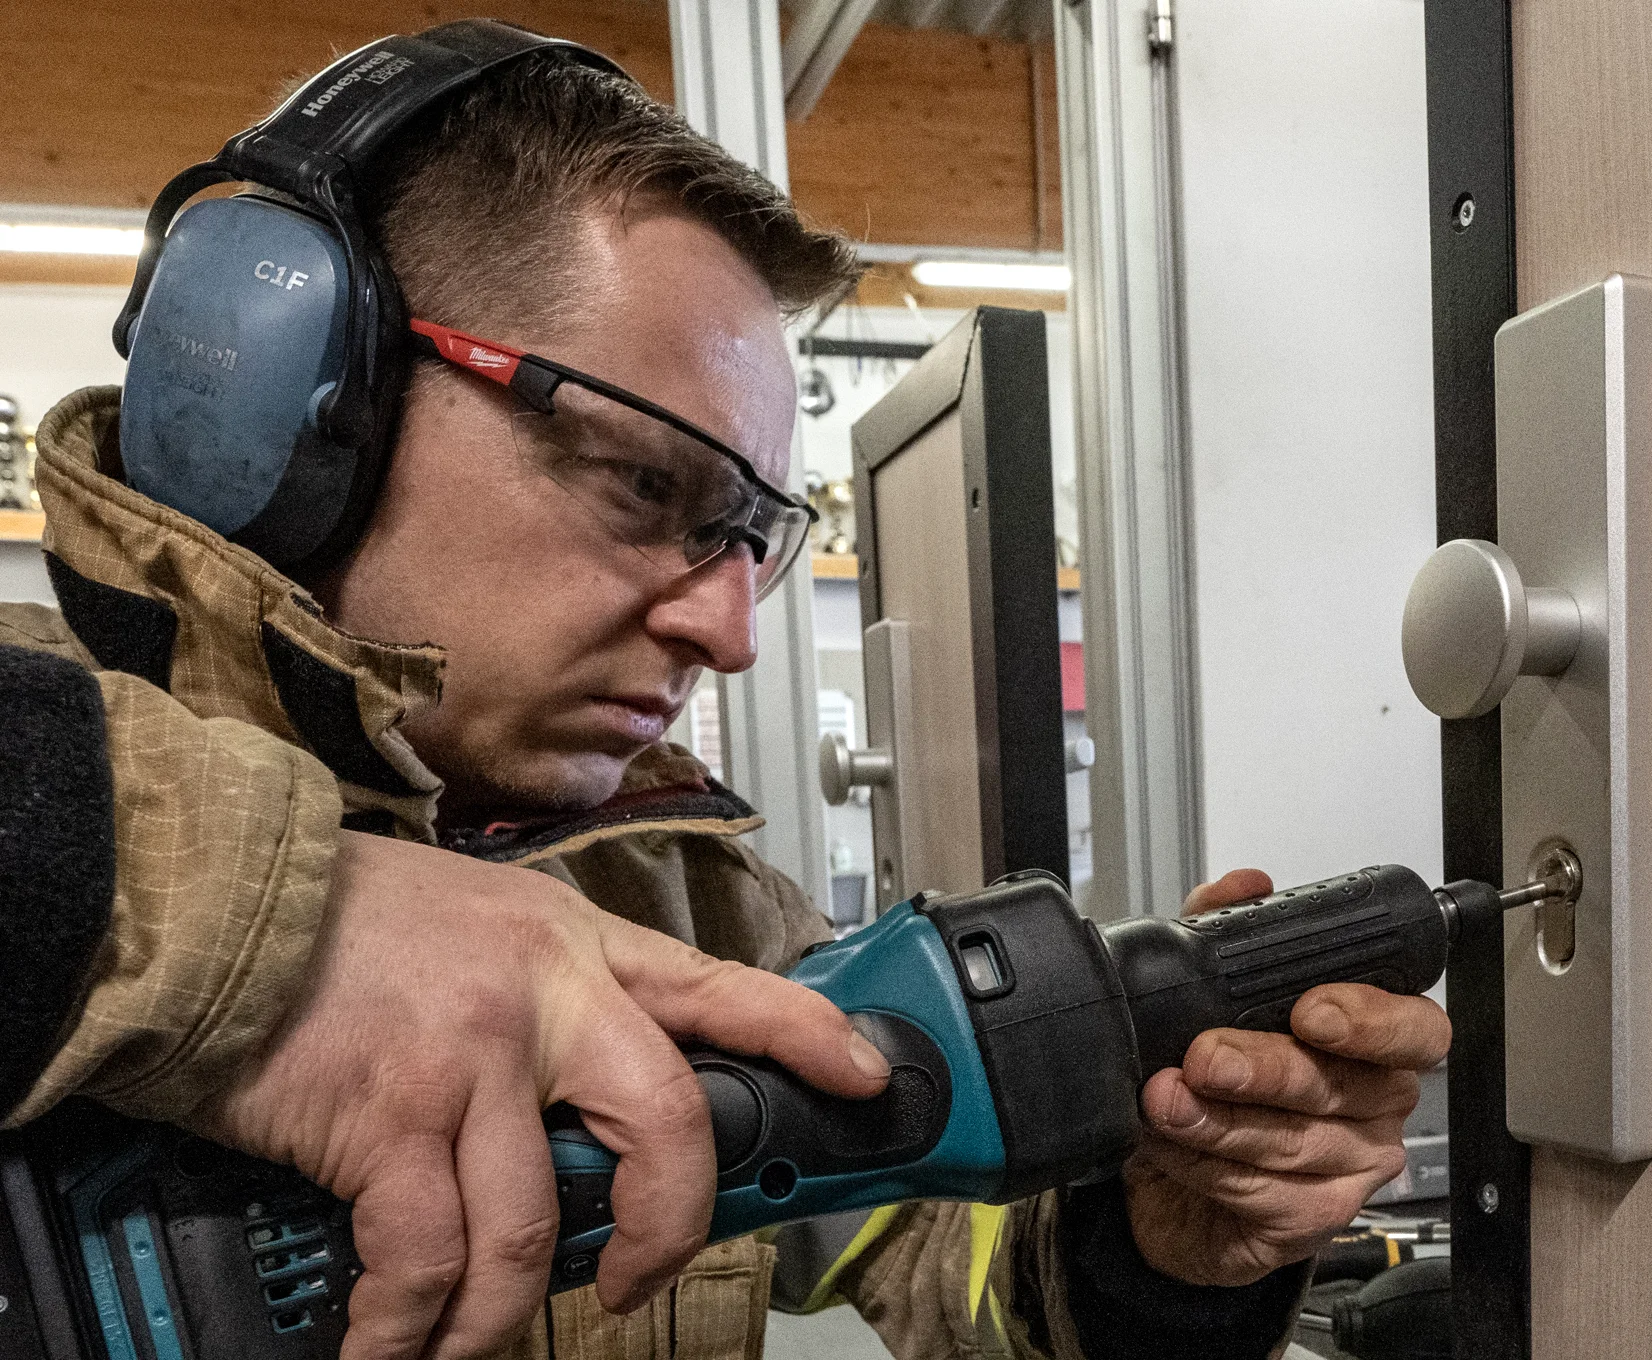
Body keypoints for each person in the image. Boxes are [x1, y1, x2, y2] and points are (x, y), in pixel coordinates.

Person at [0, 31, 1451, 1360]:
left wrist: (1160, 1251)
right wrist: (280, 922)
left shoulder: (694, 908)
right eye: (645, 485)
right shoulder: (45, 731)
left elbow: (942, 1259)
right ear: (303, 403)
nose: (730, 634)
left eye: (749, 538)